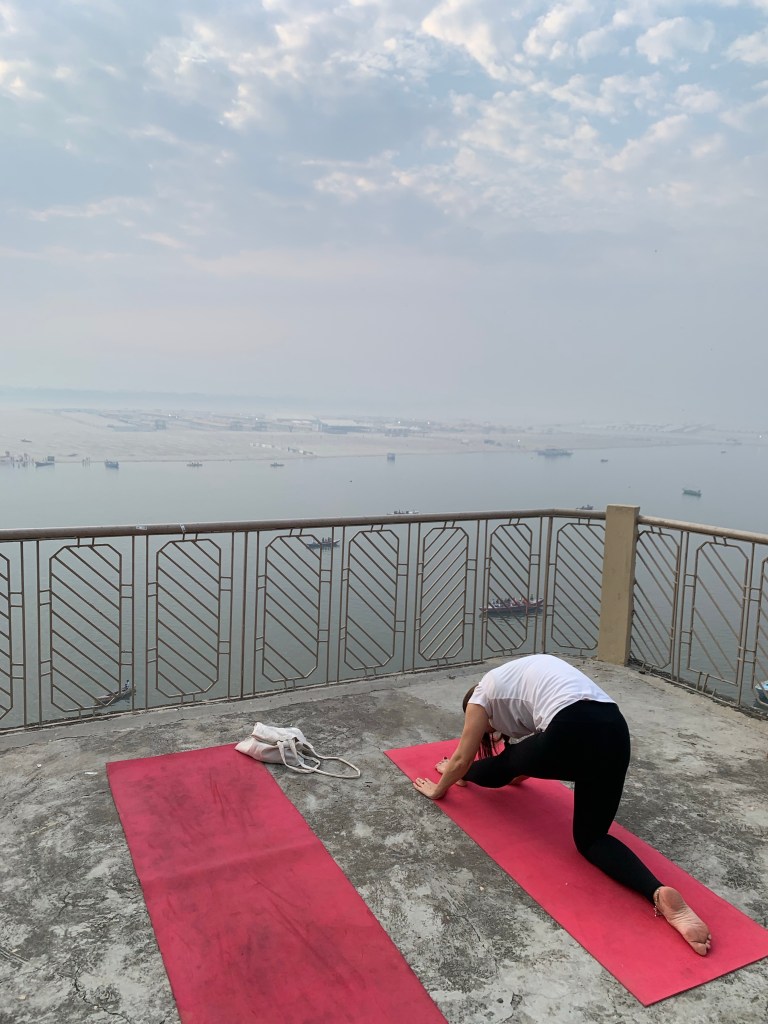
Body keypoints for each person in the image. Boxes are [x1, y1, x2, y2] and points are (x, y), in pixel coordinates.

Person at [413, 653, 711, 956]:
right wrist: (514, 769)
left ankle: (465, 778)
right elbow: (538, 754)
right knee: (592, 839)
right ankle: (657, 892)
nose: (496, 734)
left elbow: (469, 757)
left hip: (571, 726)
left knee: (502, 764)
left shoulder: (480, 698)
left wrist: (442, 785)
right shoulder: (517, 680)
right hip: (615, 731)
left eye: (488, 731)